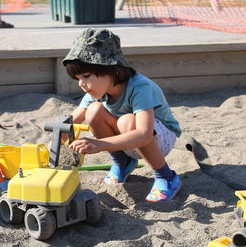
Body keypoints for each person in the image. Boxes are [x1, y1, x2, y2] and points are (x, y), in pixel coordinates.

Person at [63, 28, 182, 202]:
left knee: (128, 121)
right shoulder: (97, 89)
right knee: (94, 110)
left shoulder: (140, 87)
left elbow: (144, 133)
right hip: (129, 140)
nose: (81, 84)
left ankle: (166, 176)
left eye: (86, 76)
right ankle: (122, 162)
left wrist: (99, 144)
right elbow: (74, 120)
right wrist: (57, 140)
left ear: (112, 69)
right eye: (78, 78)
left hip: (160, 139)